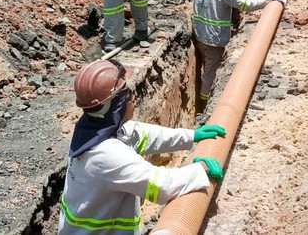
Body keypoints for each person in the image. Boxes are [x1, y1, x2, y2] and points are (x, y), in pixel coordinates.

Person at [59, 59, 225, 234]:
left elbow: (144, 134)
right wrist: (200, 169)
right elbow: (162, 187)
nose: (134, 98)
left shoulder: (90, 130)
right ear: (117, 105)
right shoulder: (107, 156)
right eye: (128, 95)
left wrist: (191, 136)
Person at [192, 0, 287, 111]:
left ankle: (202, 103)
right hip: (215, 41)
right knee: (210, 76)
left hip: (199, 37)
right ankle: (205, 108)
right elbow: (246, 4)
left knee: (205, 73)